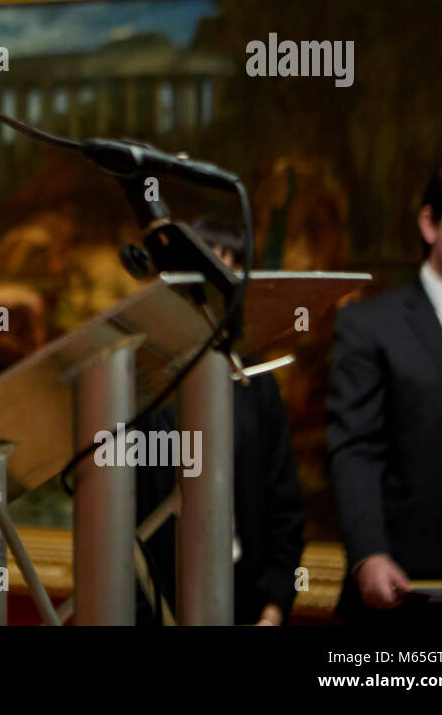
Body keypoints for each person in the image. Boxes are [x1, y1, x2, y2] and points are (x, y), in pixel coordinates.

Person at [327, 160, 442, 623]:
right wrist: (368, 554)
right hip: (411, 593)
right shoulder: (371, 326)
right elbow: (356, 450)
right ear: (429, 223)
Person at [135, 218, 305, 625]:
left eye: (224, 281)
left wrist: (274, 605)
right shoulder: (137, 386)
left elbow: (285, 503)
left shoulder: (255, 381)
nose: (210, 299)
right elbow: (118, 524)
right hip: (158, 605)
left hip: (245, 600)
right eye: (200, 280)